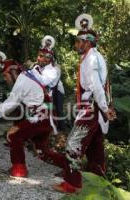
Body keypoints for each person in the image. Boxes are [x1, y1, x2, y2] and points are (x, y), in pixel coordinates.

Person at [53, 14, 116, 193]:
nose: (75, 45)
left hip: (93, 107)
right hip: (95, 107)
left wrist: (104, 108)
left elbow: (97, 87)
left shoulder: (90, 60)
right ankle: (100, 186)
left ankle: (72, 184)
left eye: (78, 41)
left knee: (73, 143)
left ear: (87, 42)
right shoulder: (92, 57)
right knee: (95, 150)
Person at [0, 36, 65, 177]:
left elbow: (12, 102)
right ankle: (69, 166)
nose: (6, 80)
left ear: (12, 71)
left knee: (13, 135)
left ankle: (19, 170)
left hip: (40, 116)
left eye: (5, 76)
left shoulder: (24, 78)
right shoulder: (29, 75)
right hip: (44, 116)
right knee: (42, 151)